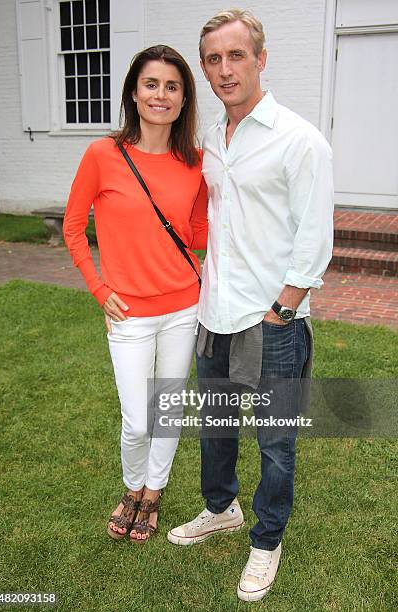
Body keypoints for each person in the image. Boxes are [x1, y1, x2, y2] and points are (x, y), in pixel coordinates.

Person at [167, 9, 334, 601]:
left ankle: (267, 541)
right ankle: (221, 510)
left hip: (272, 320)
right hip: (214, 312)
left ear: (261, 59)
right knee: (215, 427)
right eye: (213, 59)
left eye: (236, 55)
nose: (224, 69)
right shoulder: (213, 137)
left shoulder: (300, 139)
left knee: (275, 440)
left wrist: (283, 309)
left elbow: (315, 240)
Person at [63, 45, 207, 543]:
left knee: (167, 409)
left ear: (184, 97)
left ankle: (153, 492)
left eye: (172, 86)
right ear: (133, 91)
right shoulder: (103, 154)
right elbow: (73, 228)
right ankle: (132, 483)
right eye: (151, 84)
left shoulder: (195, 162)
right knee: (138, 419)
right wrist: (99, 288)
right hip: (129, 314)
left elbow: (199, 228)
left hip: (184, 306)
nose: (160, 95)